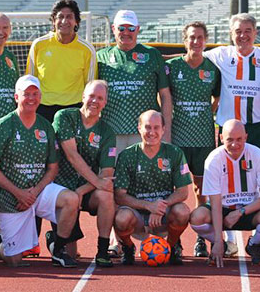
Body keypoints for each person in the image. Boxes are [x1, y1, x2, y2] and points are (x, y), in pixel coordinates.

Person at [0, 75, 81, 268]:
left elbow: (53, 167)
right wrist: (19, 193)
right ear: (16, 97)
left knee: (71, 199)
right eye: (26, 94)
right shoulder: (3, 125)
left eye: (35, 94)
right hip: (11, 195)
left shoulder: (46, 126)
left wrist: (34, 192)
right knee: (14, 260)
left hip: (38, 191)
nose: (31, 98)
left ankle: (58, 248)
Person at [189, 120, 260, 266]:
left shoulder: (257, 154)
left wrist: (240, 212)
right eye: (229, 139)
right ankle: (222, 246)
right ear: (221, 138)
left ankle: (254, 244)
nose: (234, 144)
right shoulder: (213, 159)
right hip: (222, 210)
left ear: (246, 137)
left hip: (249, 210)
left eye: (239, 139)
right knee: (196, 217)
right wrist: (218, 241)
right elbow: (215, 203)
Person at [165, 21, 220, 258]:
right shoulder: (171, 67)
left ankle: (200, 237)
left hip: (204, 137)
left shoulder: (213, 69)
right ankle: (172, 240)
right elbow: (163, 99)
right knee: (173, 187)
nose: (195, 42)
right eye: (191, 38)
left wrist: (206, 114)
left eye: (199, 37)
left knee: (201, 188)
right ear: (184, 41)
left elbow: (216, 99)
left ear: (205, 40)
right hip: (178, 138)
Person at [113, 110, 193, 266]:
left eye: (156, 128)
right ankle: (128, 248)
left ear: (163, 129)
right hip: (137, 215)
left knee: (182, 212)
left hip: (163, 213)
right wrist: (149, 206)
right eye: (147, 127)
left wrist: (160, 207)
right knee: (120, 219)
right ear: (139, 128)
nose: (152, 132)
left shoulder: (174, 153)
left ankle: (170, 247)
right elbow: (119, 196)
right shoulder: (127, 155)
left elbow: (183, 191)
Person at [52, 80, 118, 267]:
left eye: (100, 98)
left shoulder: (107, 132)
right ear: (82, 97)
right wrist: (79, 191)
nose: (95, 101)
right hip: (60, 187)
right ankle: (55, 241)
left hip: (86, 188)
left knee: (106, 195)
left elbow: (106, 174)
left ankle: (103, 250)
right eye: (91, 96)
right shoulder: (64, 116)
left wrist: (81, 191)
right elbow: (72, 155)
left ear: (105, 102)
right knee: (71, 255)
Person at [97, 9, 172, 150]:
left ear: (138, 29)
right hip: (110, 131)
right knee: (111, 171)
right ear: (113, 29)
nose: (126, 32)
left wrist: (166, 130)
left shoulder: (152, 55)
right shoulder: (100, 57)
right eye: (121, 28)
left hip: (146, 132)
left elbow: (165, 95)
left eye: (131, 28)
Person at [204, 13, 260, 149]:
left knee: (257, 168)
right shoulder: (221, 54)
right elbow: (190, 58)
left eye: (247, 31)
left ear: (255, 33)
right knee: (228, 169)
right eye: (238, 31)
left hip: (258, 127)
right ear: (231, 34)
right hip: (228, 128)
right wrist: (158, 57)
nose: (243, 36)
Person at [27, 0, 97, 123]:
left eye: (69, 17)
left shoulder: (87, 49)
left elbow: (90, 85)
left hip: (74, 108)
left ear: (77, 22)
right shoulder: (39, 45)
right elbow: (30, 80)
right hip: (43, 108)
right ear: (53, 21)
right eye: (60, 17)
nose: (64, 21)